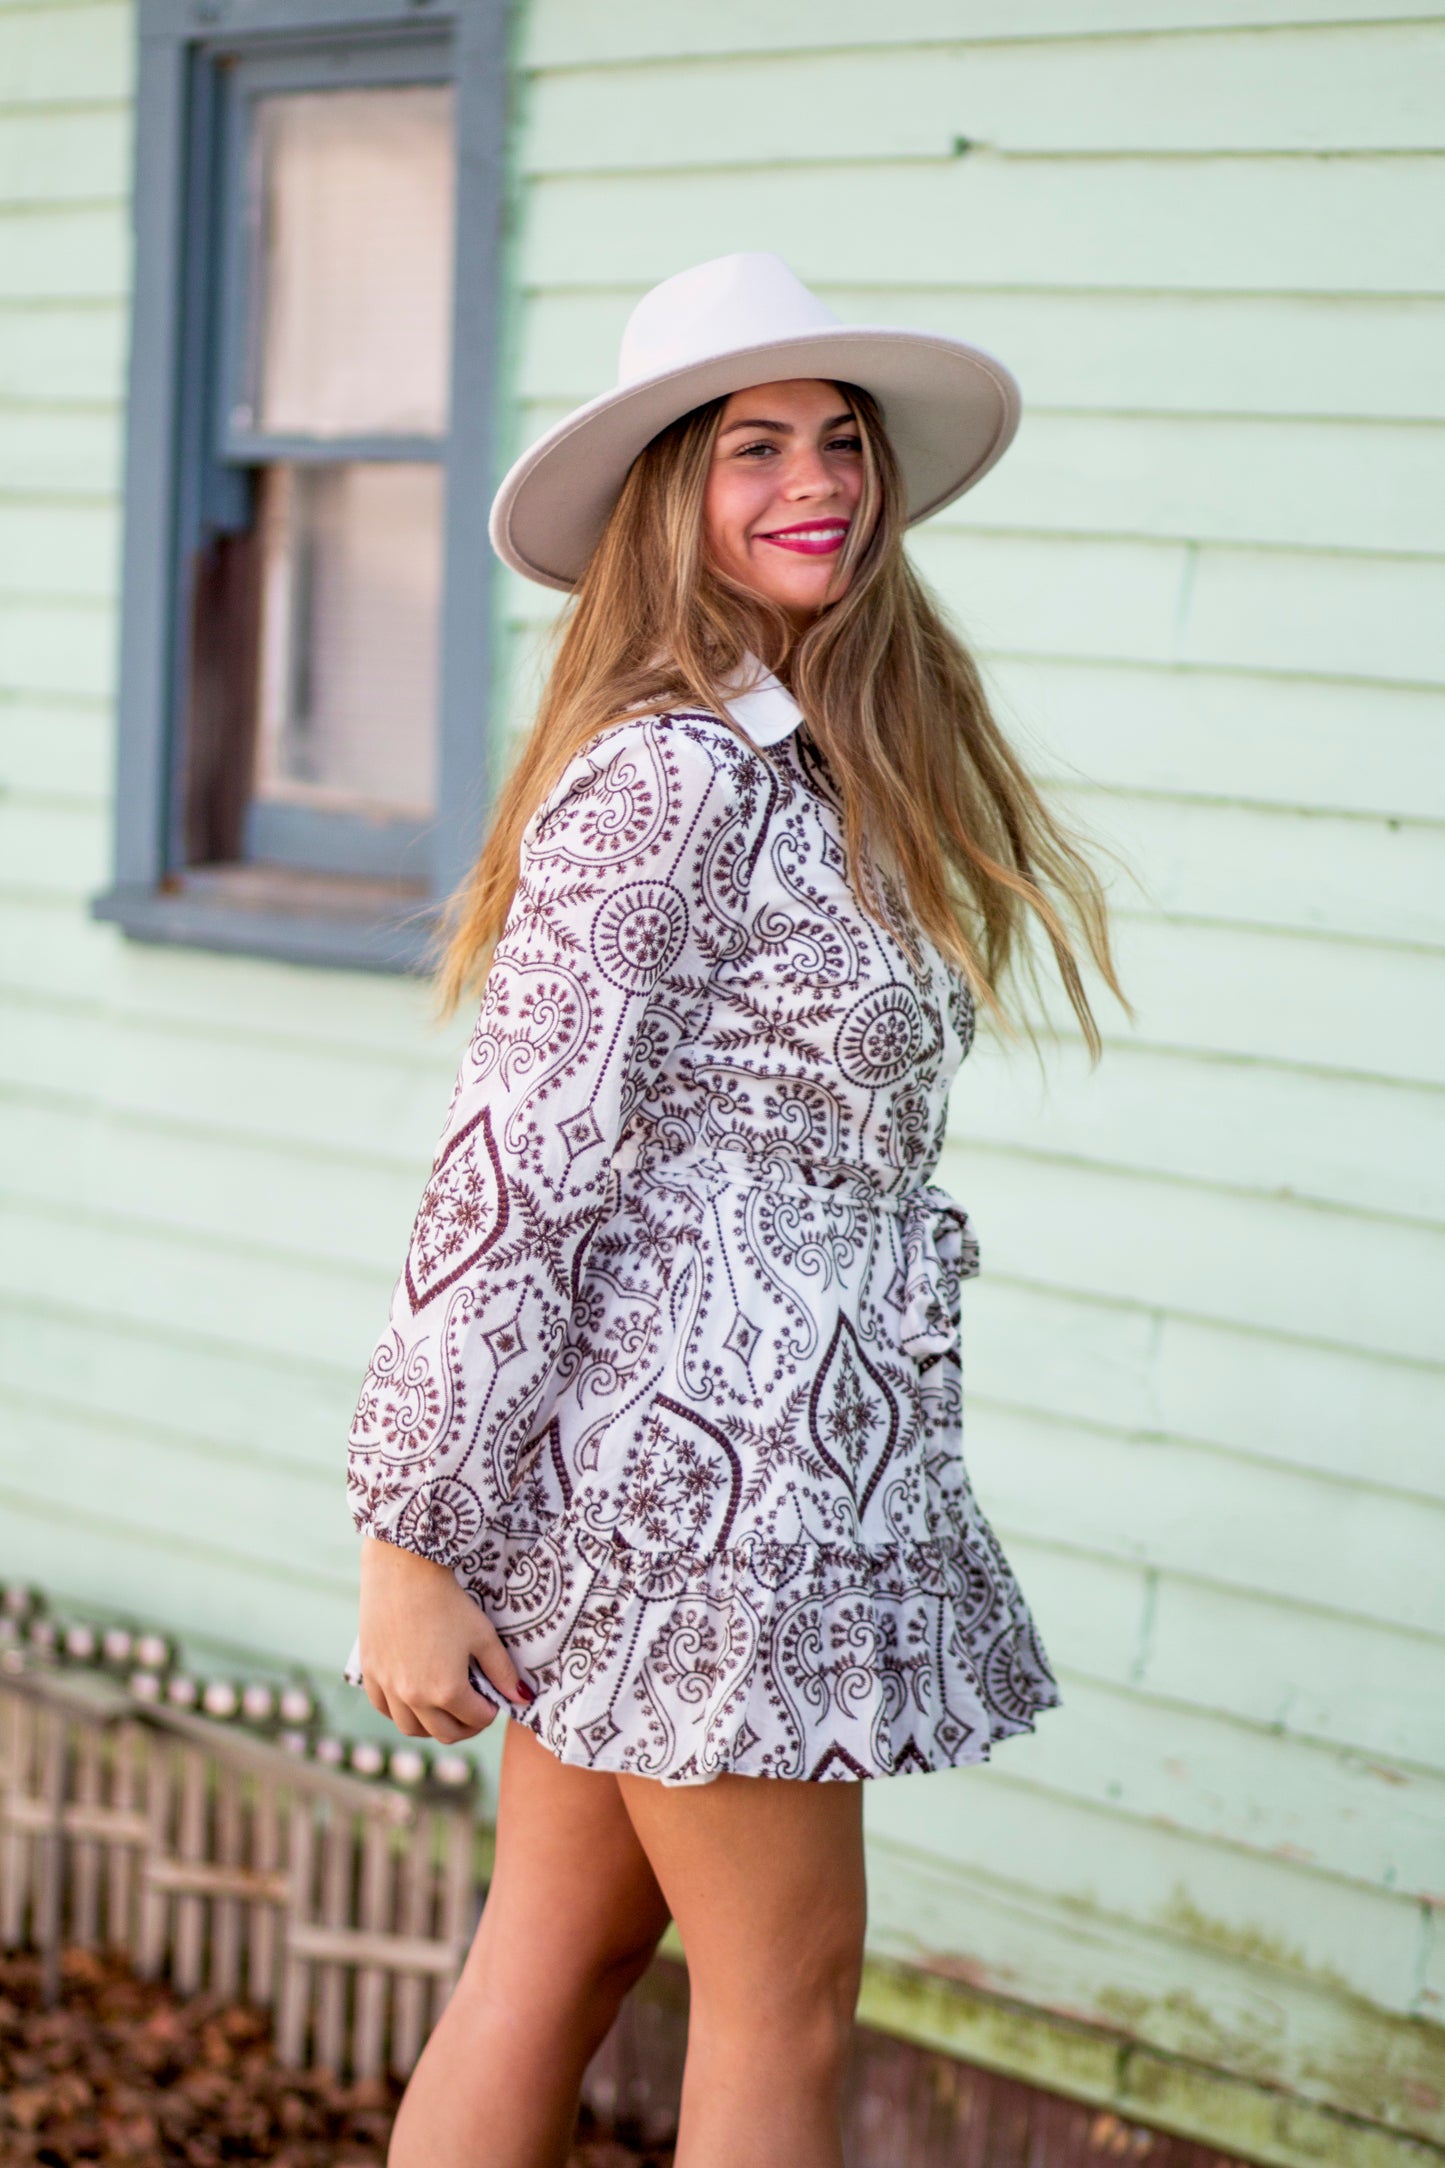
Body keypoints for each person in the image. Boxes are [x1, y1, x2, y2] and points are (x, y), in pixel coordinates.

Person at [345, 253, 1131, 2168]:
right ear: (667, 497)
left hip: (736, 1457)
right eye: (756, 446)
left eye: (842, 443)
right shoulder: (669, 780)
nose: (820, 479)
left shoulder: (811, 771)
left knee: (566, 1945)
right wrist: (409, 1532)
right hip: (707, 1489)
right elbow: (514, 1167)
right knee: (778, 1996)